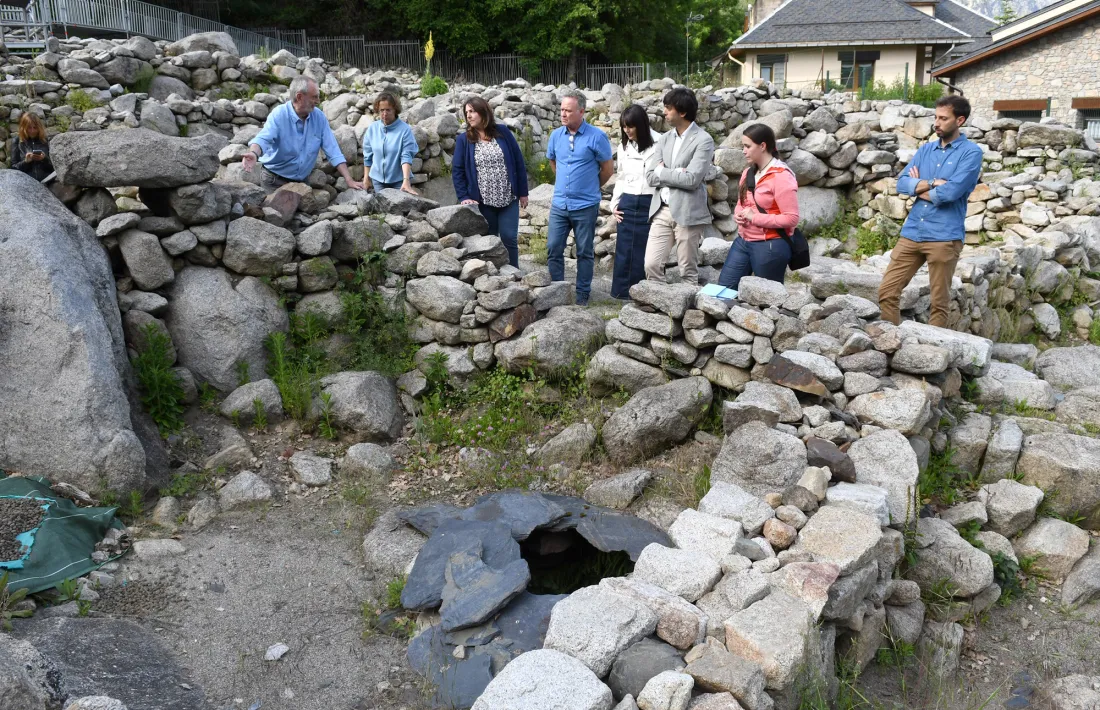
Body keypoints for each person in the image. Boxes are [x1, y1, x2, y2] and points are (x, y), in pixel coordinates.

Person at [878, 95, 983, 328]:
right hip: (913, 231)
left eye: (943, 118)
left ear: (960, 120)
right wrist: (934, 182)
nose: (936, 123)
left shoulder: (971, 153)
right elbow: (902, 184)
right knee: (887, 291)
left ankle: (930, 357)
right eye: (936, 117)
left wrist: (919, 187)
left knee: (939, 303)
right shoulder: (926, 150)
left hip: (944, 237)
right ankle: (891, 344)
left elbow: (951, 193)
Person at [546, 89, 614, 306]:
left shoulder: (597, 136)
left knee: (584, 251)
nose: (563, 114)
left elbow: (607, 169)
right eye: (562, 110)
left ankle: (583, 294)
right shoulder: (556, 136)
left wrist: (590, 186)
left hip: (585, 205)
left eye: (568, 110)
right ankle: (557, 291)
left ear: (581, 111)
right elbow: (553, 161)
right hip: (560, 204)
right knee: (554, 247)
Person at [643, 88, 715, 286]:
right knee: (651, 264)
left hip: (688, 211)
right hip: (661, 209)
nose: (664, 112)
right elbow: (650, 176)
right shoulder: (664, 139)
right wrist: (677, 174)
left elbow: (692, 179)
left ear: (682, 112)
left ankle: (685, 314)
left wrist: (663, 173)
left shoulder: (704, 140)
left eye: (668, 108)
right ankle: (657, 304)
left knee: (687, 271)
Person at [717, 123, 799, 289]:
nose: (743, 151)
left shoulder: (781, 176)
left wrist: (755, 218)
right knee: (723, 291)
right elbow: (741, 204)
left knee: (767, 299)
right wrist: (738, 214)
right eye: (743, 146)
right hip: (743, 241)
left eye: (747, 146)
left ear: (762, 146)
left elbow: (791, 218)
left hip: (771, 245)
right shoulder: (748, 173)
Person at [243, 77, 362, 190]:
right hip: (274, 181)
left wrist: (349, 180)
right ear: (299, 97)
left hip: (301, 183)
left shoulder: (319, 117)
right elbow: (263, 139)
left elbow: (333, 150)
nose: (318, 101)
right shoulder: (279, 115)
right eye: (314, 97)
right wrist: (254, 153)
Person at [452, 96, 529, 268]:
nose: (469, 116)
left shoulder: (503, 132)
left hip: (508, 197)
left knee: (509, 237)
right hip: (482, 201)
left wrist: (523, 192)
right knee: (490, 240)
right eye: (467, 113)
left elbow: (518, 162)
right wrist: (464, 196)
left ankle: (514, 275)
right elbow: (457, 171)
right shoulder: (464, 140)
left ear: (483, 112)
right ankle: (493, 278)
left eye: (472, 111)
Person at [609, 105, 661, 299]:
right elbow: (620, 176)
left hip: (650, 200)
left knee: (645, 249)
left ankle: (640, 293)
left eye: (630, 126)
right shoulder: (624, 146)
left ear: (641, 124)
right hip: (628, 200)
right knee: (624, 248)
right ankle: (620, 293)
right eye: (624, 127)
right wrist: (614, 204)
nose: (627, 131)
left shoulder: (660, 142)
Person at [362, 92, 420, 194]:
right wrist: (366, 178)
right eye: (382, 110)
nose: (384, 114)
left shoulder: (405, 130)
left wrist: (406, 180)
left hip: (399, 181)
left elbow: (406, 155)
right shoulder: (372, 129)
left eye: (388, 110)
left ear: (395, 110)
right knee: (382, 209)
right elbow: (367, 156)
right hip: (377, 180)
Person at [11, 112, 53, 182]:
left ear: (39, 127)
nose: (32, 131)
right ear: (23, 127)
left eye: (35, 127)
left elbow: (53, 168)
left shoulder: (46, 141)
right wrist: (26, 162)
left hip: (47, 183)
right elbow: (13, 169)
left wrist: (44, 159)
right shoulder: (17, 141)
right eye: (29, 128)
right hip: (26, 183)